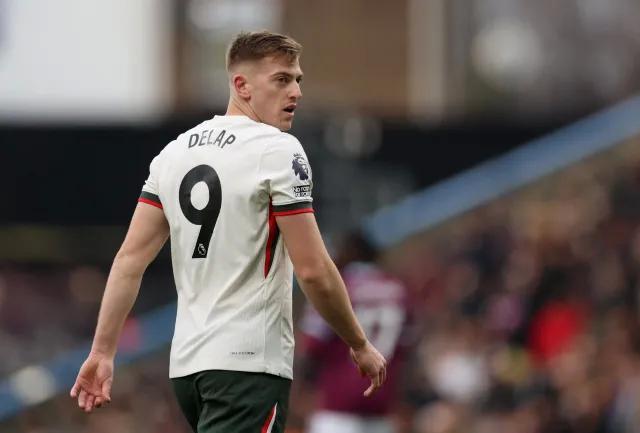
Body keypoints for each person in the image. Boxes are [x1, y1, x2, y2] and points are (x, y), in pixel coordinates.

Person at [69, 31, 387, 433]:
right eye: (281, 79)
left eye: (297, 80)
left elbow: (129, 260)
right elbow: (312, 270)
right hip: (247, 366)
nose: (296, 92)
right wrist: (358, 343)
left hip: (188, 368)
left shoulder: (173, 154)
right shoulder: (277, 149)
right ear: (242, 85)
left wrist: (102, 351)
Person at [298, 232, 410, 433]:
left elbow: (312, 346)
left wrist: (303, 390)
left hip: (337, 410)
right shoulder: (398, 290)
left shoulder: (338, 288)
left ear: (349, 252)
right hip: (381, 409)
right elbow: (407, 347)